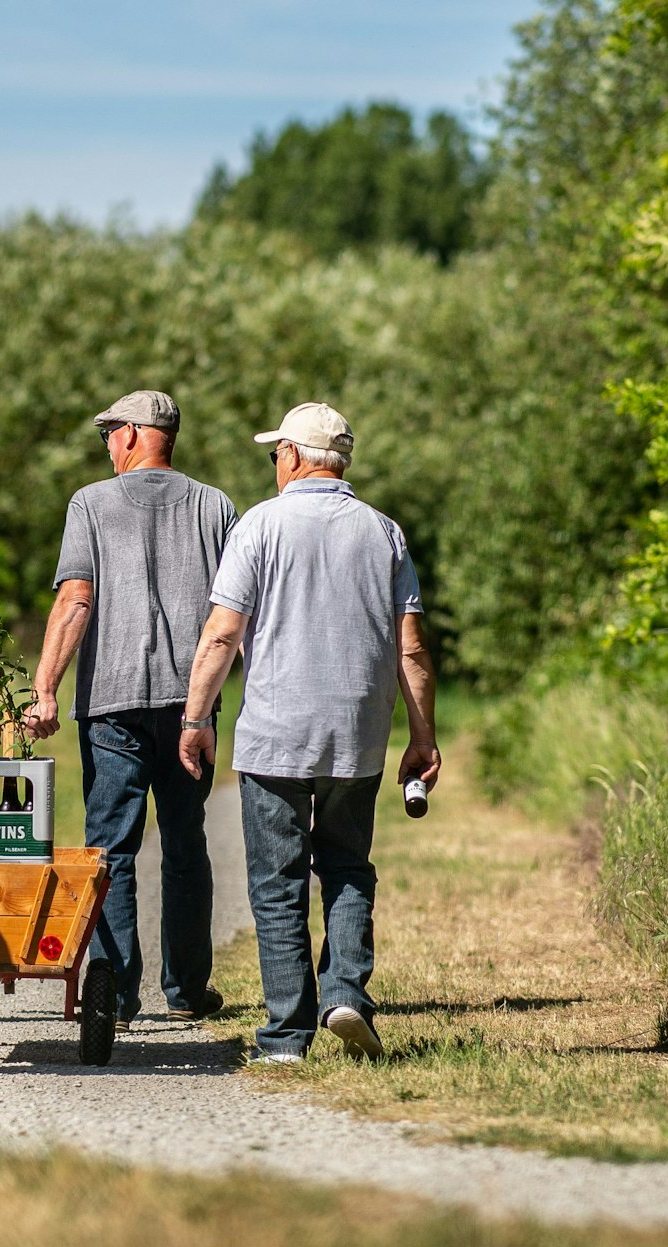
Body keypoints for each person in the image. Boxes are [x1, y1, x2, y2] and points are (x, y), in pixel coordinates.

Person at [176, 401, 440, 1065]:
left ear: (293, 456)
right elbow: (411, 648)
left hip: (275, 734)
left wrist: (196, 717)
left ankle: (286, 1037)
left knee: (277, 883)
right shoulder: (384, 533)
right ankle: (345, 991)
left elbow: (222, 632)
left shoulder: (260, 525)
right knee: (348, 868)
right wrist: (423, 735)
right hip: (357, 733)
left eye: (275, 454)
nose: (274, 465)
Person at [25, 390, 237, 1030]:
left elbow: (75, 601)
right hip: (189, 704)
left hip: (111, 704)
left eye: (108, 434)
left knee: (110, 849)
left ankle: (115, 994)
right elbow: (235, 614)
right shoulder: (214, 505)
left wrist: (44, 689)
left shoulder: (90, 504)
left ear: (130, 436)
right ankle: (187, 989)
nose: (106, 445)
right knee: (184, 842)